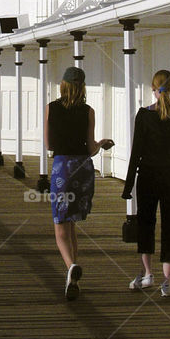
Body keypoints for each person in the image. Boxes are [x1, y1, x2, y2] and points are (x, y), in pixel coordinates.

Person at [121, 69, 170, 298]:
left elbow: (136, 151)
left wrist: (128, 183)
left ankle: (147, 274)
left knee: (146, 224)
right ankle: (168, 282)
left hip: (148, 176)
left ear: (153, 89)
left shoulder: (144, 115)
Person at [44, 66, 114, 301]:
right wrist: (101, 143)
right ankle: (71, 273)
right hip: (83, 169)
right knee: (72, 223)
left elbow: (49, 145)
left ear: (63, 85)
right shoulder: (88, 111)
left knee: (60, 226)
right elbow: (90, 148)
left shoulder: (51, 109)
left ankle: (71, 266)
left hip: (62, 168)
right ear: (82, 87)